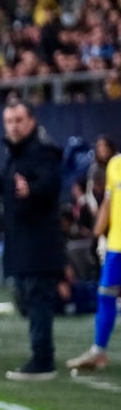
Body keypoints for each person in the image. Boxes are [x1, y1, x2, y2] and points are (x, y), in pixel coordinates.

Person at [0, 98, 64, 381]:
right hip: (24, 245)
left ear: (32, 121)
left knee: (38, 301)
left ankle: (43, 359)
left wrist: (31, 190)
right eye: (9, 121)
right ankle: (41, 355)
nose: (13, 126)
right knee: (28, 301)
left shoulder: (42, 151)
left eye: (19, 120)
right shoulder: (17, 153)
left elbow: (51, 183)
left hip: (39, 245)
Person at [65, 148, 120, 373]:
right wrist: (96, 237)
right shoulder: (116, 164)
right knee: (105, 295)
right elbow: (108, 203)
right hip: (116, 246)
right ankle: (98, 352)